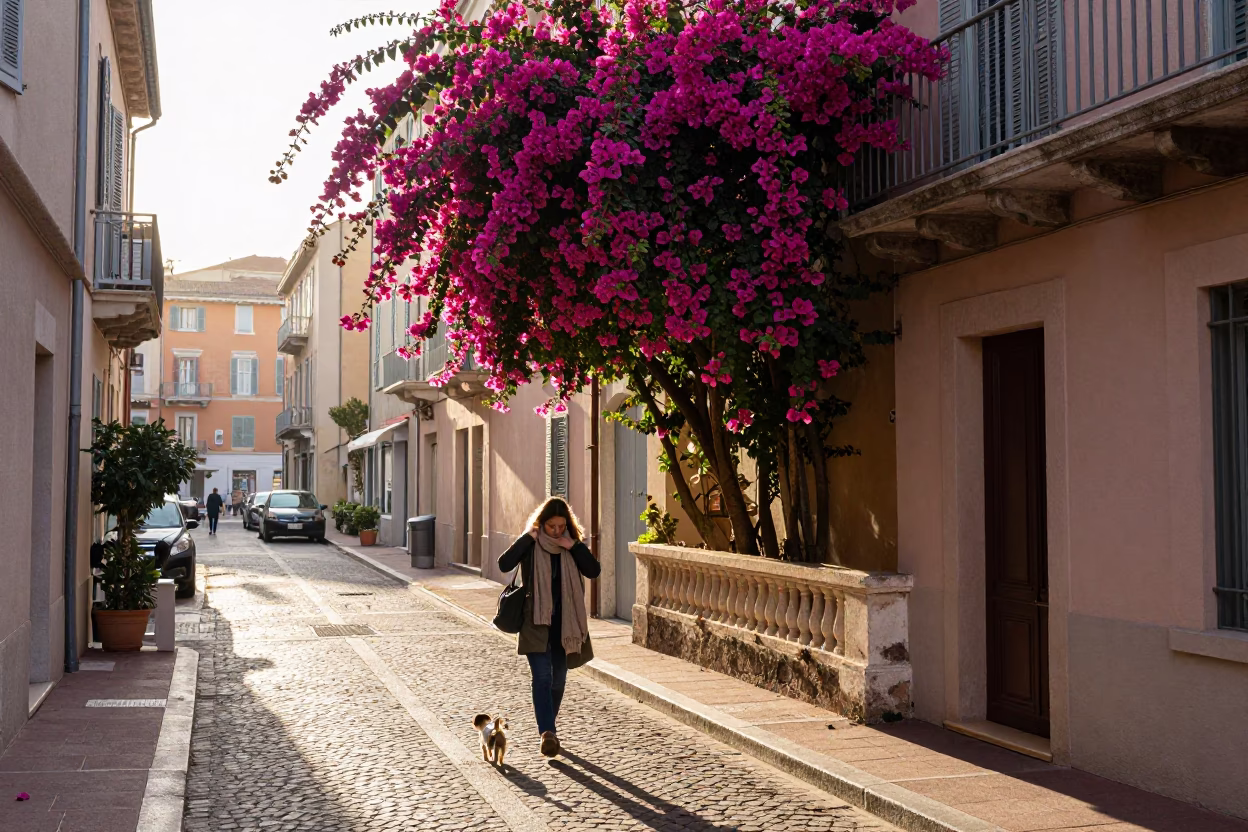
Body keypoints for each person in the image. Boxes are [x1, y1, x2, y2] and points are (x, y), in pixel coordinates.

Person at [497, 497, 600, 758]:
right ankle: (547, 733)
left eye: (561, 526)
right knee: (542, 678)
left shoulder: (571, 546)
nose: (556, 531)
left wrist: (574, 546)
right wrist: (526, 538)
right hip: (536, 623)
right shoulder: (531, 545)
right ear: (542, 524)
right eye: (551, 526)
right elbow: (504, 564)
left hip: (565, 626)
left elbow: (593, 570)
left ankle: (548, 729)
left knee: (558, 680)